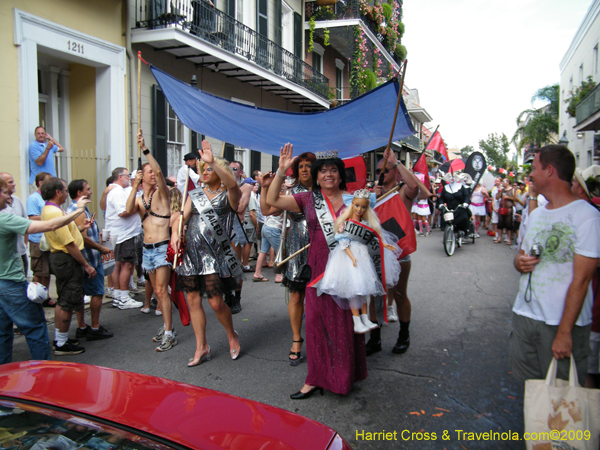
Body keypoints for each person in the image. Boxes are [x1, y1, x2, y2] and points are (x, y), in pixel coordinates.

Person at [265, 144, 367, 398]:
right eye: (323, 171)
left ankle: (343, 377)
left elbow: (368, 235)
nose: (328, 175)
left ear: (341, 175)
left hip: (345, 269)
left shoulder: (356, 200)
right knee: (314, 323)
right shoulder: (307, 199)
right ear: (317, 175)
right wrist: (281, 172)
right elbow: (272, 201)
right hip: (317, 269)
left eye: (333, 170)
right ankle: (314, 378)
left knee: (342, 325)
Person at [510, 145, 600, 384]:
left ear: (550, 171)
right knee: (532, 396)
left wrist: (564, 332)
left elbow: (582, 280)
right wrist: (520, 263)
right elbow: (520, 255)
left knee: (563, 404)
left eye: (534, 168)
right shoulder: (537, 214)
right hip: (526, 317)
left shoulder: (588, 216)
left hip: (561, 325)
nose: (530, 175)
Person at [0, 176, 90, 364]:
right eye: (3, 193)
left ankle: (4, 378)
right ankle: (45, 373)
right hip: (10, 282)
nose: (8, 198)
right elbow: (51, 225)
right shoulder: (4, 218)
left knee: (3, 332)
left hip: (5, 282)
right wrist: (79, 209)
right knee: (35, 326)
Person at [170, 140, 241, 367]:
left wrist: (213, 162)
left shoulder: (230, 194)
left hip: (214, 255)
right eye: (204, 169)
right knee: (192, 300)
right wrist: (175, 231)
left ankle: (231, 334)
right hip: (192, 254)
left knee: (216, 303)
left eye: (210, 168)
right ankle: (202, 346)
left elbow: (232, 185)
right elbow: (182, 217)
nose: (206, 172)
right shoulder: (196, 193)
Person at [318, 189, 400, 334]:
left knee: (364, 290)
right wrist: (352, 257)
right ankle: (357, 321)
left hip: (364, 257)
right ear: (352, 205)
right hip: (351, 258)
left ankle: (365, 317)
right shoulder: (346, 224)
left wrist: (385, 245)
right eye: (357, 206)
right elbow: (344, 243)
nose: (360, 209)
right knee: (355, 289)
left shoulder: (366, 223)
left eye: (363, 207)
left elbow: (372, 239)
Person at [126, 132, 176, 352]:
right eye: (147, 173)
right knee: (157, 291)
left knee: (162, 290)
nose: (153, 175)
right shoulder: (138, 199)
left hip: (163, 247)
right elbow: (127, 211)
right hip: (147, 250)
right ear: (141, 177)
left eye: (152, 172)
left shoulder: (162, 194)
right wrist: (134, 185)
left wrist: (145, 149)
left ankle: (168, 333)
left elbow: (158, 170)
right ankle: (167, 325)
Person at [370, 149, 419, 355]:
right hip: (375, 252)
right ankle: (375, 338)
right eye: (378, 170)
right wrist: (372, 198)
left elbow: (415, 186)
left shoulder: (402, 193)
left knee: (399, 295)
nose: (381, 174)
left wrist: (396, 162)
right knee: (374, 297)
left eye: (386, 170)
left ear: (395, 173)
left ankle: (404, 335)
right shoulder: (372, 194)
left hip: (399, 254)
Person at [41, 177, 96, 355]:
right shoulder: (54, 212)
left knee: (63, 298)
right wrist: (86, 265)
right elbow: (69, 243)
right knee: (68, 301)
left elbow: (66, 233)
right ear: (57, 192)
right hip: (66, 259)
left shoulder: (52, 210)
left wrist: (80, 228)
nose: (66, 193)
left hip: (60, 258)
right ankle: (62, 344)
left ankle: (60, 338)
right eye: (64, 191)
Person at [277, 152, 314, 365]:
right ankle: (296, 339)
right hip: (297, 247)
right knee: (297, 296)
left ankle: (320, 337)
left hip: (320, 247)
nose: (305, 169)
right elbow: (267, 209)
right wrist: (268, 186)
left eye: (309, 165)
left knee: (321, 296)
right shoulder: (291, 191)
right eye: (301, 166)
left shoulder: (325, 191)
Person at [66, 179, 114, 341]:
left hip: (85, 258)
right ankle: (94, 327)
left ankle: (82, 326)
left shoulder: (77, 209)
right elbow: (83, 238)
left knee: (82, 292)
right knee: (97, 292)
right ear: (79, 193)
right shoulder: (78, 211)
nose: (91, 191)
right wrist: (101, 249)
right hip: (89, 259)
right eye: (88, 189)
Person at [105, 167, 143, 310]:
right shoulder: (117, 192)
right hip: (123, 234)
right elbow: (123, 212)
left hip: (121, 233)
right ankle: (123, 296)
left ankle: (118, 295)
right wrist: (137, 208)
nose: (129, 178)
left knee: (119, 264)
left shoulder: (118, 191)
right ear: (120, 177)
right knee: (126, 264)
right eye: (127, 176)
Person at [226, 160, 253, 314]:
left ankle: (237, 296)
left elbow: (240, 208)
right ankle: (227, 294)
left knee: (235, 265)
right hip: (222, 228)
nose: (231, 171)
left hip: (236, 228)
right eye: (229, 169)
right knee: (224, 265)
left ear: (240, 172)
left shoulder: (245, 187)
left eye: (235, 169)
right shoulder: (222, 187)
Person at [26, 172, 55, 306]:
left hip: (48, 239)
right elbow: (32, 217)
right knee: (38, 270)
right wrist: (51, 216)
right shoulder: (33, 198)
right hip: (38, 239)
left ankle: (45, 296)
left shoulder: (48, 198)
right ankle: (36, 298)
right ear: (40, 183)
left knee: (47, 270)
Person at [0, 172, 29, 274]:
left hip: (21, 252)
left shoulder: (17, 200)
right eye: (10, 182)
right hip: (7, 256)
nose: (14, 184)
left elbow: (26, 222)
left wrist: (25, 244)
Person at [496, 178, 514, 245]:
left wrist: (508, 198)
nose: (502, 183)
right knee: (500, 223)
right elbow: (497, 197)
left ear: (508, 182)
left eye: (504, 182)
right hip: (502, 208)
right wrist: (499, 191)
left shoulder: (512, 190)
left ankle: (509, 239)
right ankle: (499, 238)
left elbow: (515, 199)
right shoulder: (502, 190)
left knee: (509, 224)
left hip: (508, 208)